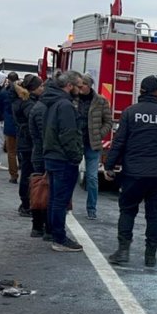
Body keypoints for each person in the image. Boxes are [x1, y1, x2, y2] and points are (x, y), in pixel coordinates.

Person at [104, 75, 157, 268]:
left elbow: (119, 142)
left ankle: (123, 250)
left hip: (133, 172)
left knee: (128, 211)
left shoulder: (130, 113)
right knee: (155, 214)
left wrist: (109, 165)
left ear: (140, 91)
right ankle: (150, 255)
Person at [42, 70, 85, 252]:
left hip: (52, 155)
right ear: (70, 86)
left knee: (54, 198)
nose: (81, 89)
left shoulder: (51, 101)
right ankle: (59, 238)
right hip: (63, 158)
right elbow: (68, 134)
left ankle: (52, 232)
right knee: (61, 200)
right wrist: (75, 156)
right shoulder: (65, 105)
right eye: (79, 85)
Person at [76, 75, 113, 220]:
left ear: (90, 86)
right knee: (70, 176)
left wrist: (99, 134)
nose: (80, 87)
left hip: (93, 144)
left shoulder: (101, 101)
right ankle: (66, 206)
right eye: (79, 85)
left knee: (92, 178)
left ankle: (91, 209)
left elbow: (108, 122)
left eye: (83, 85)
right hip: (76, 142)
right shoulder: (73, 99)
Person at [12, 74, 44, 218]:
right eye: (40, 86)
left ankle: (26, 203)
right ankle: (26, 204)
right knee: (28, 174)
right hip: (28, 143)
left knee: (27, 172)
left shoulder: (24, 101)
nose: (42, 89)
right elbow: (33, 124)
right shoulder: (28, 104)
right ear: (33, 88)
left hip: (25, 142)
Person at [27, 77, 49, 238]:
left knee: (38, 189)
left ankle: (38, 226)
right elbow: (44, 135)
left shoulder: (38, 107)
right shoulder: (42, 109)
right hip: (44, 154)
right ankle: (40, 226)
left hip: (39, 153)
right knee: (43, 190)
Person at [0, 72, 21, 183]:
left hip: (10, 124)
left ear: (8, 80)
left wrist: (4, 115)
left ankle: (13, 175)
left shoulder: (4, 92)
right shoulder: (22, 91)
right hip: (22, 125)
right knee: (23, 150)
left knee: (11, 152)